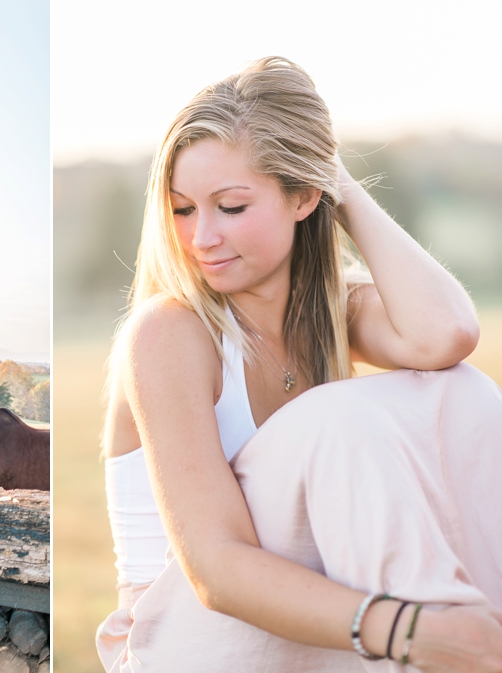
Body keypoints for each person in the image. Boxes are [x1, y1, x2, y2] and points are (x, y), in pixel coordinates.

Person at [97, 56, 502, 672]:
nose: (202, 236)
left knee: (461, 393)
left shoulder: (333, 312)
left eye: (230, 206)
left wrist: (337, 180)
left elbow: (446, 334)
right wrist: (407, 631)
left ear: (306, 196)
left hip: (300, 621)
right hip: (181, 636)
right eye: (183, 209)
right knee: (335, 418)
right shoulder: (168, 333)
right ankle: (445, 636)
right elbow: (216, 573)